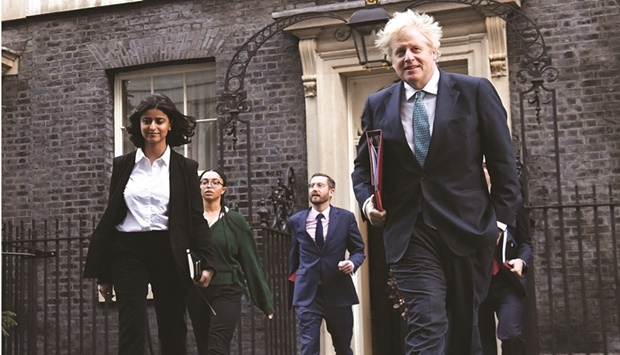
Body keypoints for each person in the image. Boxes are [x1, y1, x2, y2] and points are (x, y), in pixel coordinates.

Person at [351, 10, 521, 355]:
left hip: (467, 230)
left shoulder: (474, 92)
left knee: (463, 329)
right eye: (399, 52)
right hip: (410, 232)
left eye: (415, 48)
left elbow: (504, 164)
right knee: (426, 321)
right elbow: (362, 169)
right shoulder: (377, 105)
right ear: (391, 61)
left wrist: (498, 223)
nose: (408, 57)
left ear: (434, 51)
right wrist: (369, 205)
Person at [83, 93, 216, 355]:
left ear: (169, 125)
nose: (152, 127)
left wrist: (207, 261)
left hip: (169, 249)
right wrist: (105, 273)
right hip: (127, 250)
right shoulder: (123, 165)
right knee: (131, 325)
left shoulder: (185, 167)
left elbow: (195, 218)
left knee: (172, 323)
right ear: (139, 126)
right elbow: (112, 217)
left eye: (159, 121)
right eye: (146, 121)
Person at [186, 169, 275, 355]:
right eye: (204, 182)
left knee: (216, 346)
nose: (209, 185)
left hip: (227, 290)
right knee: (204, 346)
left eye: (215, 182)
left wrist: (264, 301)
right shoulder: (191, 221)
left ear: (224, 190)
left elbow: (251, 262)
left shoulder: (235, 221)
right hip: (197, 292)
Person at [288, 173, 366, 355]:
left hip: (338, 292)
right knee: (308, 347)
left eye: (320, 185)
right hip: (308, 294)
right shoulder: (296, 220)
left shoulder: (346, 218)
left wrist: (352, 263)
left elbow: (358, 250)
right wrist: (294, 288)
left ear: (331, 192)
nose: (314, 189)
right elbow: (294, 257)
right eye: (312, 185)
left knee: (343, 347)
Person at [478, 164, 533, 355]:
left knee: (510, 334)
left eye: (485, 166)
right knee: (482, 344)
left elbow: (526, 242)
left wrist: (521, 261)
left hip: (507, 281)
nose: (482, 171)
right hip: (477, 284)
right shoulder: (466, 207)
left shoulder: (513, 203)